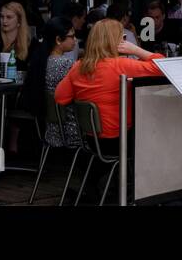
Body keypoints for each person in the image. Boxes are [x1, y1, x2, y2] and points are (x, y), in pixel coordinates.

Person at [55, 20, 166, 198]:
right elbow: (163, 67)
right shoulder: (120, 65)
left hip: (91, 139)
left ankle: (98, 187)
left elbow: (60, 98)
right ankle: (148, 192)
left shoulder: (79, 66)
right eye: (122, 38)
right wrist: (136, 50)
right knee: (158, 133)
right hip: (119, 140)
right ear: (115, 41)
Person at [37, 18, 81, 149]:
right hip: (72, 131)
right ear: (58, 40)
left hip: (51, 131)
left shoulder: (43, 61)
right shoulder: (66, 64)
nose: (75, 40)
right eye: (72, 36)